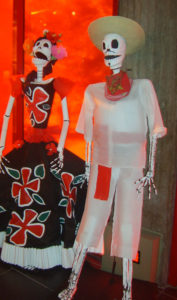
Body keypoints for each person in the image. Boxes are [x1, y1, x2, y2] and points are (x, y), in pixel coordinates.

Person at [58, 16, 167, 300]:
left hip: (132, 168)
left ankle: (127, 292)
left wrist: (150, 170)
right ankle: (73, 283)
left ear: (126, 47)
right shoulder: (94, 91)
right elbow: (89, 135)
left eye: (114, 44)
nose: (108, 51)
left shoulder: (143, 87)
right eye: (104, 46)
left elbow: (155, 128)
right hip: (103, 166)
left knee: (129, 221)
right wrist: (87, 167)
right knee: (92, 217)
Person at [0, 30, 86, 270]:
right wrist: (0, 150)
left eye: (45, 49)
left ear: (51, 57)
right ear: (32, 51)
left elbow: (66, 121)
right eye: (37, 47)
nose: (38, 52)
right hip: (27, 142)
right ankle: (15, 244)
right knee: (6, 181)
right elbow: (7, 113)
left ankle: (42, 249)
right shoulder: (22, 82)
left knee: (43, 190)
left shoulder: (56, 83)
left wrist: (61, 152)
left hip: (44, 144)